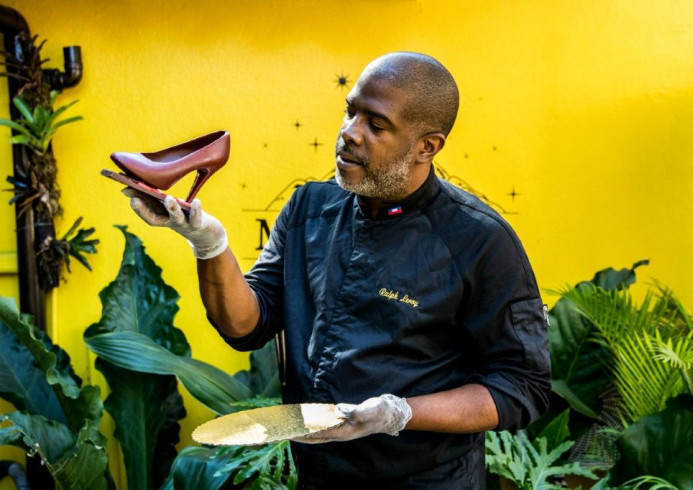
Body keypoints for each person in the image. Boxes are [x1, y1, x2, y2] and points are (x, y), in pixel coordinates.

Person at [124, 52, 550, 489]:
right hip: (320, 477)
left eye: (376, 125)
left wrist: (398, 413)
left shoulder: (480, 241)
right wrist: (208, 242)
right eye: (350, 112)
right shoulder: (309, 208)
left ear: (427, 146)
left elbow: (522, 386)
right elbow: (245, 325)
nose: (349, 133)